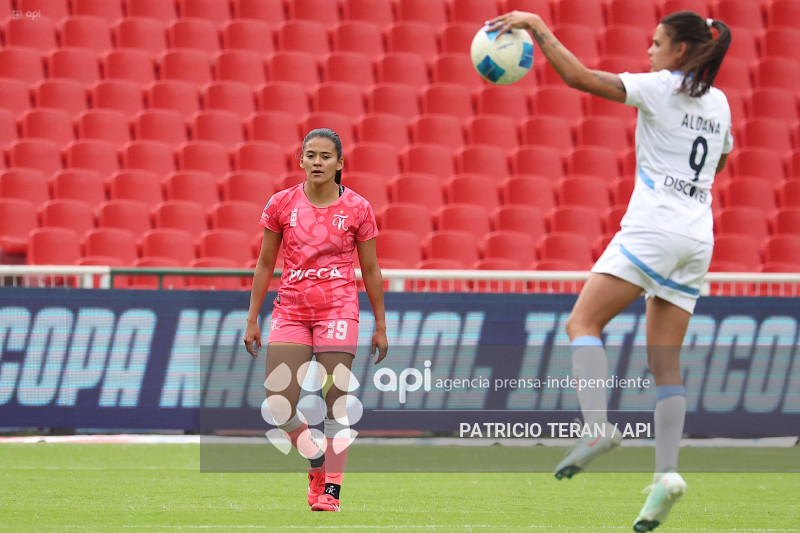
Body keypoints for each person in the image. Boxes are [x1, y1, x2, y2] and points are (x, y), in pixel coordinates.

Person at [487, 10, 732, 533]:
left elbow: (578, 77)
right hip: (698, 235)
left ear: (681, 51)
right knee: (666, 365)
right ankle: (666, 475)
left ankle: (598, 427)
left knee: (582, 324)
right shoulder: (720, 102)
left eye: (657, 42)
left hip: (654, 227)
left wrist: (535, 24)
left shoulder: (659, 87)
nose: (649, 50)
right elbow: (719, 163)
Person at [243, 128, 389, 512]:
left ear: (340, 164)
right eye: (311, 155)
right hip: (291, 310)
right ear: (300, 160)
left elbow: (371, 270)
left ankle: (332, 492)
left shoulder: (358, 208)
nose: (318, 162)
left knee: (335, 400)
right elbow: (264, 263)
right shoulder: (281, 204)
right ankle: (316, 465)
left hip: (338, 309)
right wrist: (252, 318)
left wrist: (381, 325)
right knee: (279, 404)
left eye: (326, 156)